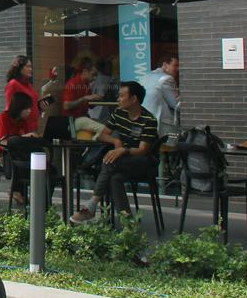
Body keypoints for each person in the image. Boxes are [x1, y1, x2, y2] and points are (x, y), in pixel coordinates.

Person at [70, 80, 159, 224]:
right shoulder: (119, 113)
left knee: (111, 160)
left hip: (144, 161)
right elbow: (103, 134)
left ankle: (92, 204)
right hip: (123, 161)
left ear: (134, 99)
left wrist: (123, 150)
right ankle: (128, 222)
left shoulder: (148, 120)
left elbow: (143, 150)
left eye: (122, 96)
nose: (118, 99)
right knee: (114, 178)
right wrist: (116, 142)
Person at [0, 92, 43, 205]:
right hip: (0, 158)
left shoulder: (22, 122)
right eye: (26, 109)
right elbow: (3, 142)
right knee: (29, 162)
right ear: (19, 108)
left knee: (41, 161)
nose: (29, 111)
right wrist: (23, 137)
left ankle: (40, 203)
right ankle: (17, 190)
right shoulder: (3, 118)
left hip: (16, 156)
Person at [62, 59, 105, 138]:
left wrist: (98, 99)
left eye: (96, 75)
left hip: (82, 118)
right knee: (104, 129)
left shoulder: (86, 85)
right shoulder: (72, 83)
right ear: (85, 71)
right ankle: (91, 147)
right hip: (71, 121)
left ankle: (89, 148)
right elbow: (66, 106)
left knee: (106, 125)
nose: (95, 78)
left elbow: (90, 106)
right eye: (93, 74)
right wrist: (84, 98)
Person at [142, 56, 180, 136]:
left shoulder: (145, 76)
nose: (178, 69)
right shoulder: (166, 79)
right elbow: (176, 105)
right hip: (161, 128)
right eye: (175, 65)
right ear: (165, 65)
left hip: (144, 123)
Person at [4, 55, 40, 132]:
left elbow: (32, 105)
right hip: (22, 129)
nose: (31, 69)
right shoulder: (13, 84)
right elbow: (10, 110)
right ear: (19, 68)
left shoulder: (28, 85)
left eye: (31, 67)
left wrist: (40, 108)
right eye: (28, 66)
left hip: (32, 127)